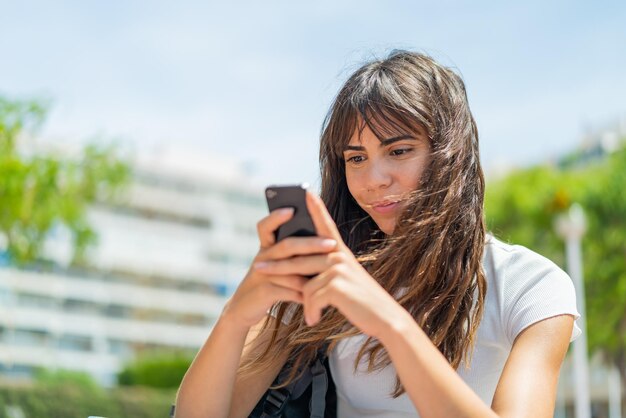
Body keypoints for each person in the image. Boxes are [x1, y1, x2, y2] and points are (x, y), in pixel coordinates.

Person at [175, 50, 580, 418]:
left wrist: (389, 321)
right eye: (356, 158)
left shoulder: (533, 286)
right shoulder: (327, 274)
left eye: (399, 151)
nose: (373, 180)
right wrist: (236, 318)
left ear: (450, 154)